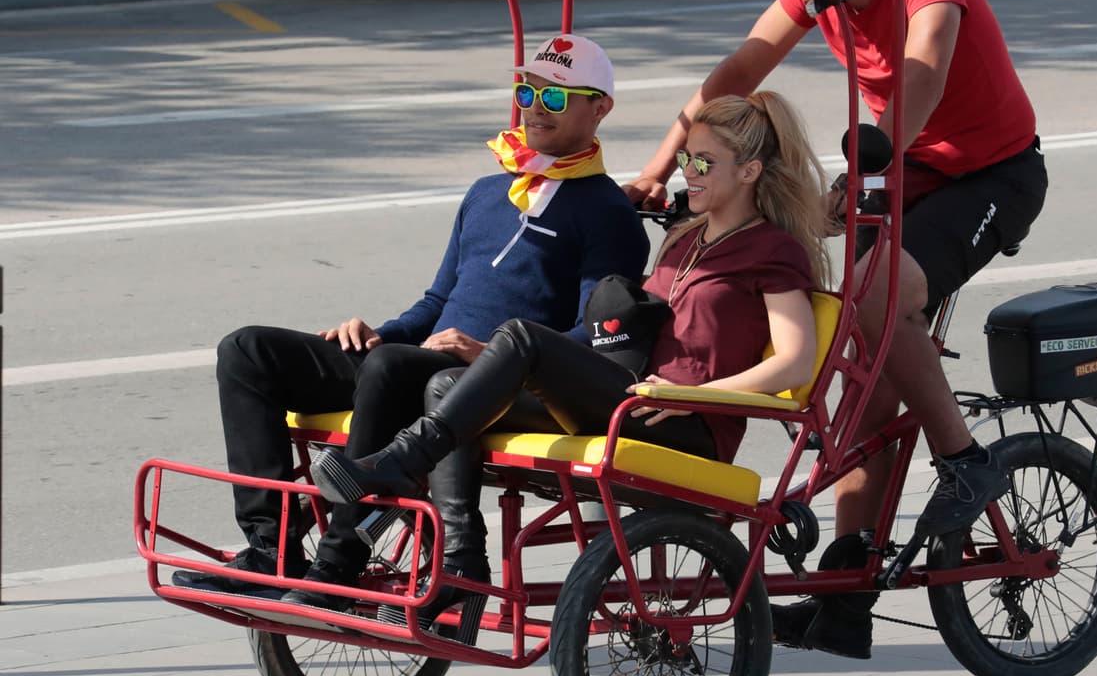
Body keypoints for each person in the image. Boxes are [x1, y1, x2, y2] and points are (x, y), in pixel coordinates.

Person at [626, 0, 1048, 659]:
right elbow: (741, 69)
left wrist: (870, 164)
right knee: (858, 368)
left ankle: (966, 464)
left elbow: (922, 68)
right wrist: (657, 170)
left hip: (990, 175)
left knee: (876, 294)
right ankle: (848, 590)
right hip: (900, 163)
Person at [300, 91, 832, 624]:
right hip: (633, 398)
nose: (687, 172)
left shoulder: (771, 250)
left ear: (750, 171)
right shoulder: (685, 236)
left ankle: (398, 463)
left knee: (522, 338)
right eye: (685, 158)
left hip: (686, 422)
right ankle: (462, 564)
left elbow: (795, 362)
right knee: (446, 386)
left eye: (704, 163)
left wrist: (694, 396)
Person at [172, 33, 650, 599]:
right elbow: (435, 300)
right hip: (412, 357)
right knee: (247, 350)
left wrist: (490, 355)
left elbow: (587, 336)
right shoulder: (486, 190)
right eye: (526, 91)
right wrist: (379, 331)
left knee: (390, 368)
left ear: (600, 109)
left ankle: (340, 558)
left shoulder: (609, 212)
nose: (532, 108)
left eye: (553, 99)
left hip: (480, 380)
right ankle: (271, 546)